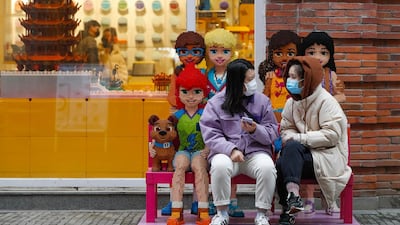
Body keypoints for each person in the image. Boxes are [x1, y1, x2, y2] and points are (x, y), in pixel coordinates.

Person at [200, 59, 279, 225]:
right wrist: (231, 149)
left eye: (253, 78)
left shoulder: (262, 101)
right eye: (248, 80)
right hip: (227, 155)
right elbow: (211, 134)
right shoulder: (215, 103)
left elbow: (272, 132)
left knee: (267, 167)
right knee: (219, 165)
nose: (253, 84)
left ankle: (262, 214)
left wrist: (255, 130)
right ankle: (221, 213)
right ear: (236, 82)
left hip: (255, 153)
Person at [275, 56, 352, 225]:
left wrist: (300, 138)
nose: (289, 81)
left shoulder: (327, 102)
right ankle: (293, 198)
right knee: (283, 159)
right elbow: (286, 128)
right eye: (288, 76)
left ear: (307, 78)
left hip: (327, 156)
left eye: (294, 77)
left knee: (287, 155)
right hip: (300, 158)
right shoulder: (292, 103)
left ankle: (288, 209)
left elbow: (331, 135)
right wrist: (291, 137)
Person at [298, 31, 346, 214]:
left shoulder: (330, 75)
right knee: (309, 161)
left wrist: (327, 101)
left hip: (328, 125)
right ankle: (308, 199)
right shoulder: (301, 74)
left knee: (329, 163)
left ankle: (329, 199)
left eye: (323, 52)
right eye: (312, 52)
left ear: (330, 55)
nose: (318, 57)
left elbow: (342, 95)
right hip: (307, 123)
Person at [204, 28, 245, 218]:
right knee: (212, 164)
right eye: (214, 51)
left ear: (232, 53)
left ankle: (233, 201)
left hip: (231, 124)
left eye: (225, 51)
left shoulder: (235, 75)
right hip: (209, 124)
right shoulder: (204, 76)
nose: (219, 56)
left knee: (232, 160)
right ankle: (211, 200)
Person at [167, 63, 211, 225]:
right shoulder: (176, 116)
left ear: (203, 93)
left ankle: (203, 209)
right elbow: (165, 135)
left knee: (199, 167)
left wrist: (207, 149)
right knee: (179, 166)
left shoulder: (206, 114)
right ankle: (176, 210)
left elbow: (213, 134)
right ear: (179, 93)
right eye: (185, 92)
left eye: (196, 92)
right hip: (182, 150)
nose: (191, 96)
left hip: (200, 151)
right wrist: (155, 147)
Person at [258, 30, 301, 122]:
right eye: (278, 54)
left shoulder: (300, 75)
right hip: (274, 118)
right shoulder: (271, 76)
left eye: (290, 54)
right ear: (271, 55)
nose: (284, 58)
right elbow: (264, 98)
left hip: (294, 118)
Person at [167, 31, 206, 108]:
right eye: (184, 51)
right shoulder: (178, 72)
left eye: (195, 52)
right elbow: (172, 95)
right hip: (180, 108)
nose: (189, 56)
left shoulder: (203, 72)